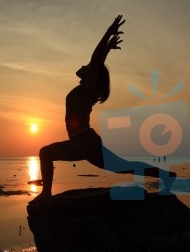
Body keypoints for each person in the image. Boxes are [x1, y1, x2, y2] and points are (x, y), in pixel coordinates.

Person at [29, 15, 176, 204]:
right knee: (47, 153)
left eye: (87, 66)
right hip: (80, 142)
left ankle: (166, 175)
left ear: (93, 73)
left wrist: (108, 33)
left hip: (85, 141)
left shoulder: (89, 88)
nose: (83, 66)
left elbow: (95, 59)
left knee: (123, 166)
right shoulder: (86, 89)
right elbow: (96, 60)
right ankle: (166, 176)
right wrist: (106, 48)